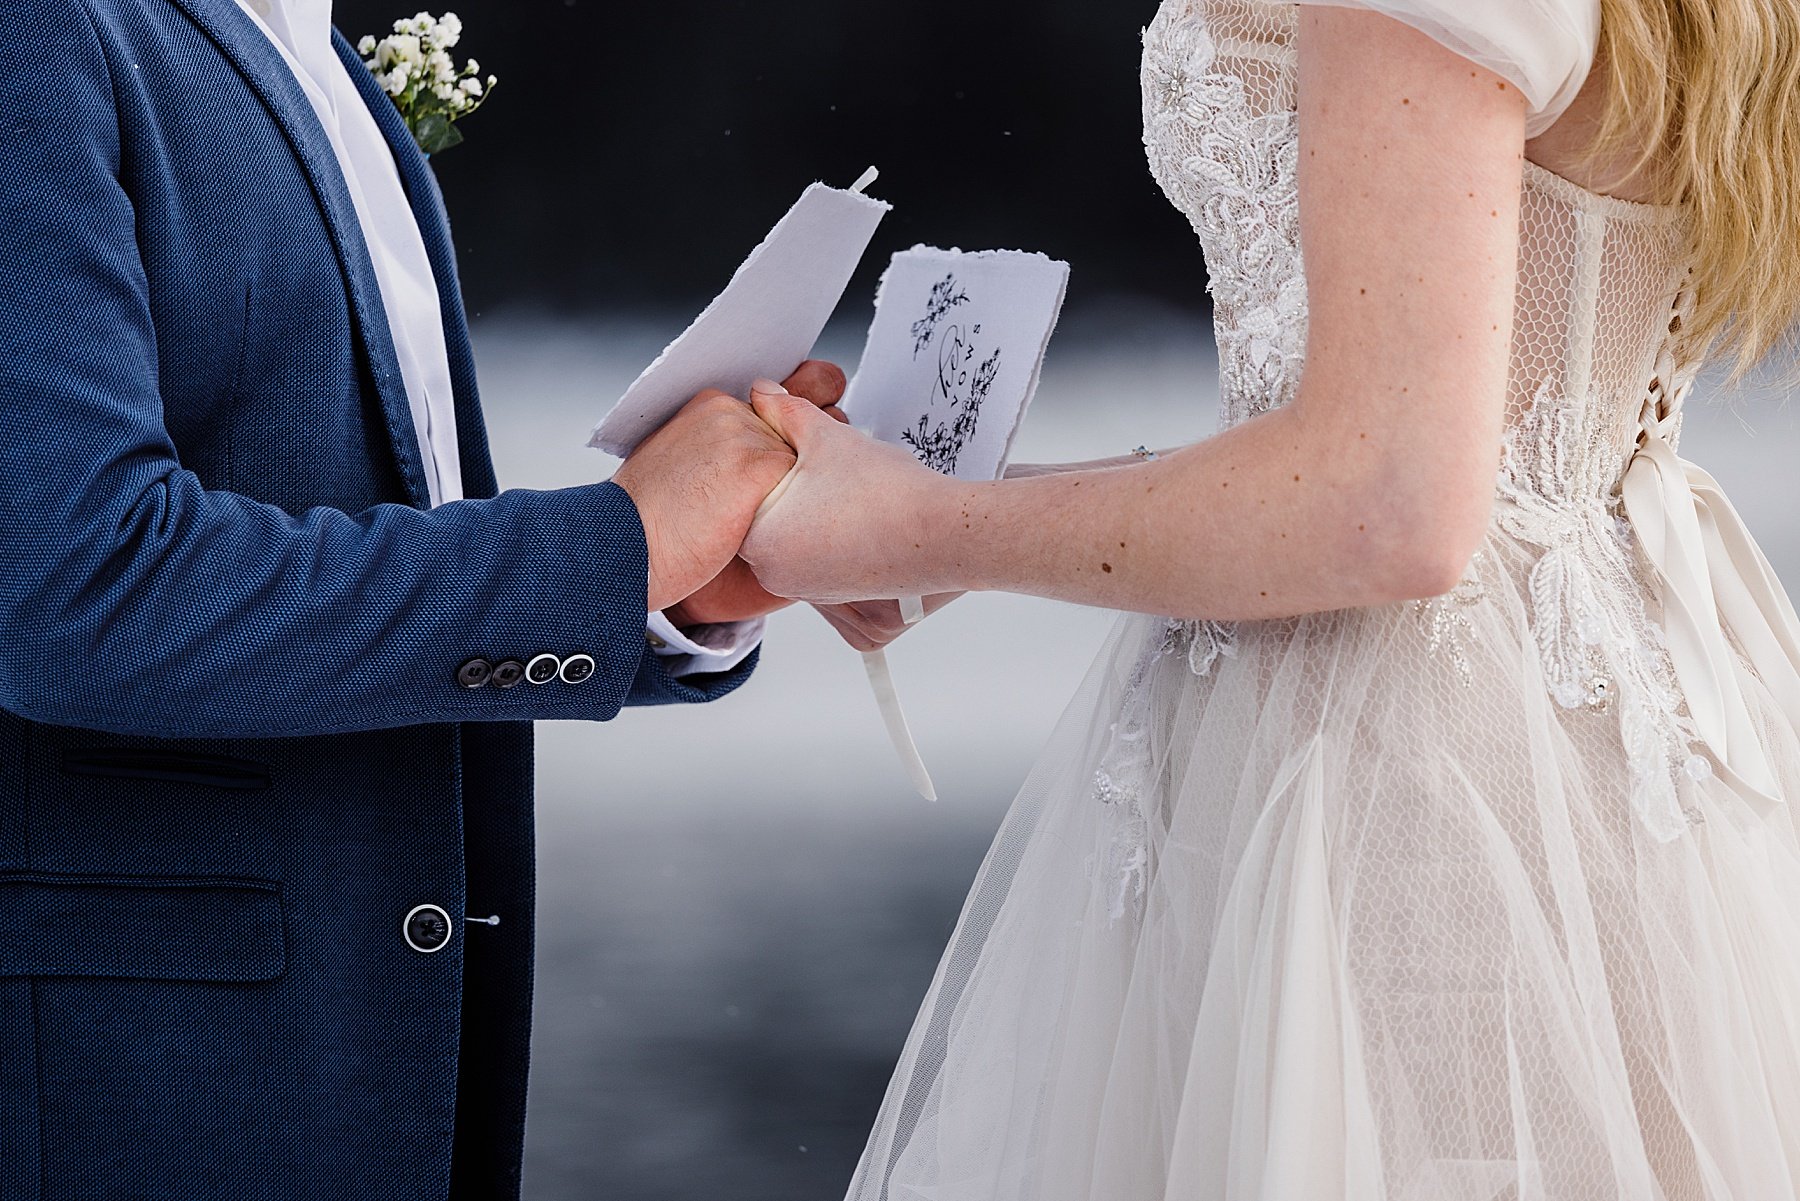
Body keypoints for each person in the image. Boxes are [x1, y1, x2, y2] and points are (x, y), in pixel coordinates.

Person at [741, 0, 1800, 1195]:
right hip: (1601, 709)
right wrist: (941, 531)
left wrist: (917, 528)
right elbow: (1434, 458)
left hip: (1410, 777)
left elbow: (1386, 505)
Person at [0, 1, 838, 1196]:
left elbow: (360, 506)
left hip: (369, 1069)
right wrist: (610, 549)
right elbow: (75, 590)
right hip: (143, 1094)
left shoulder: (326, 65)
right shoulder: (42, 29)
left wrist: (664, 593)